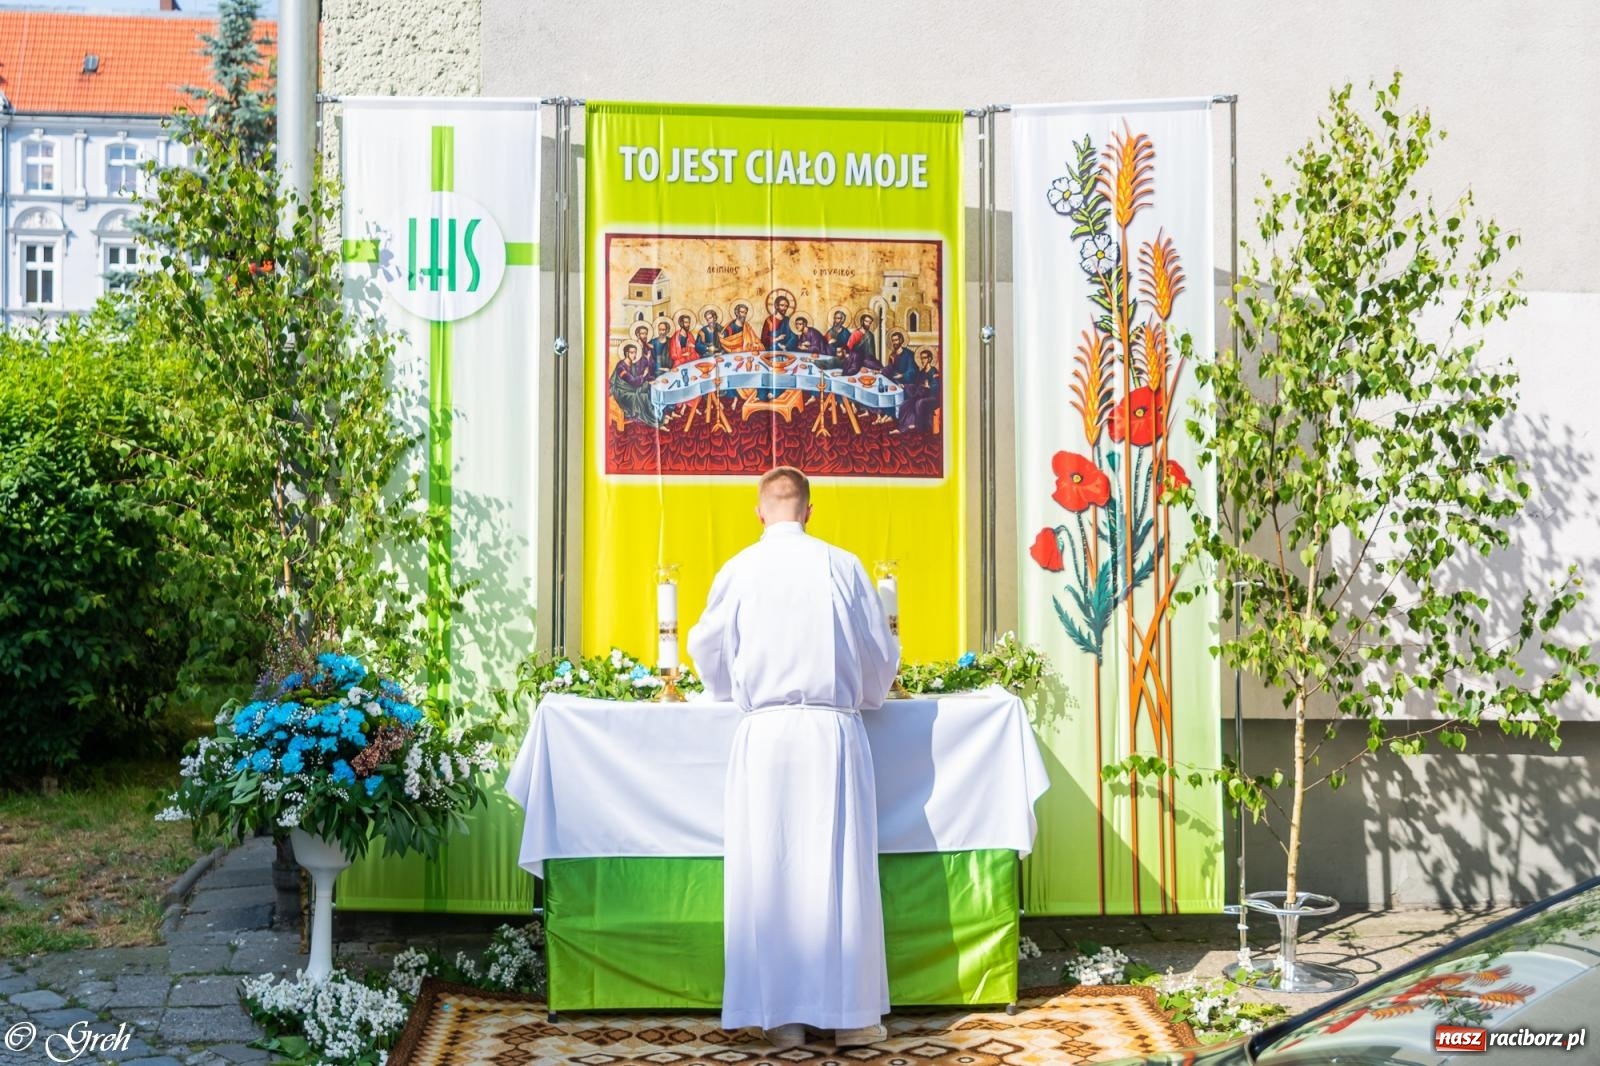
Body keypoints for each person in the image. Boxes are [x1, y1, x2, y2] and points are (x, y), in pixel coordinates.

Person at [687, 467, 899, 1052]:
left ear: (760, 512)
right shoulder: (842, 564)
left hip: (765, 734)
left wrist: (730, 688)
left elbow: (707, 649)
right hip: (831, 731)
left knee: (772, 874)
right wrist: (867, 694)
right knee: (840, 870)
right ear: (809, 510)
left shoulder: (740, 568)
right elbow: (879, 653)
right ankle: (852, 1017)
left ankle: (782, 1020)